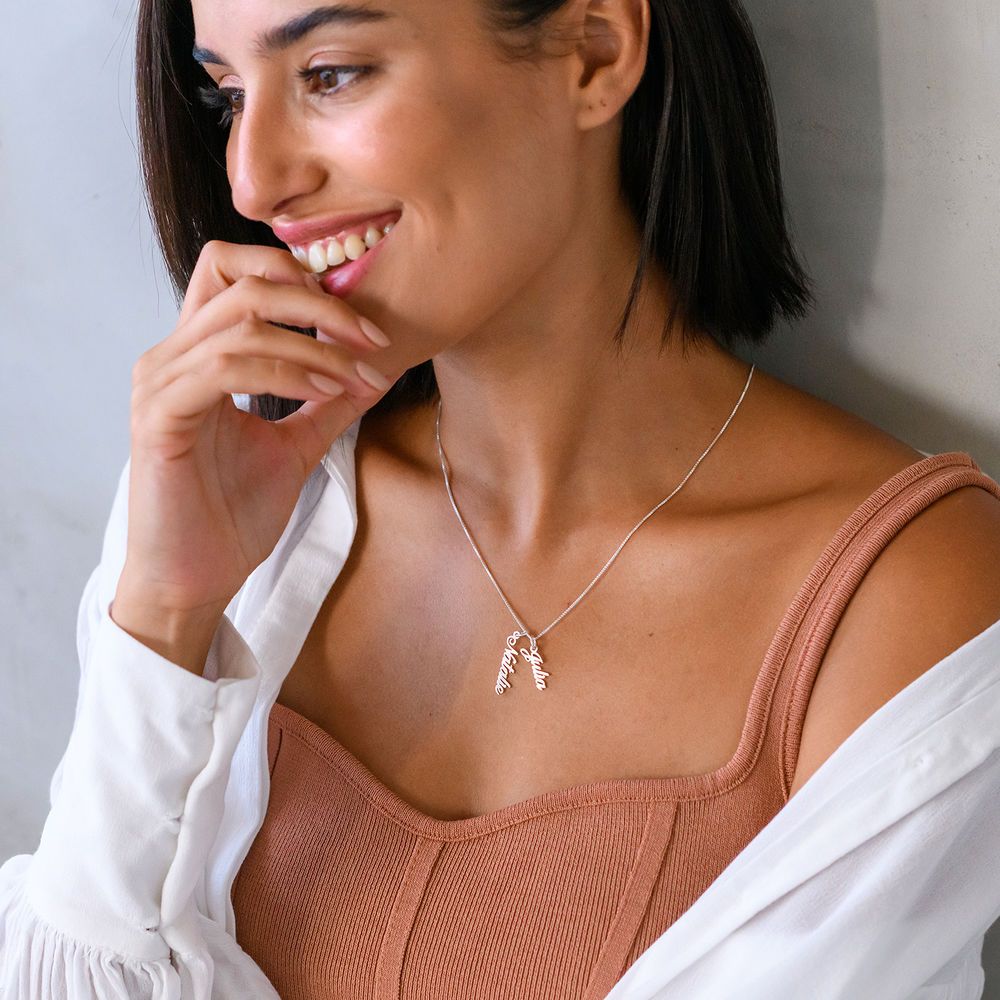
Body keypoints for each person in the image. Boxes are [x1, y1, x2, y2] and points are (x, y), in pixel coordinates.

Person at [2, 0, 999, 996]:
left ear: (593, 51)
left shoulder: (903, 599)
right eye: (226, 97)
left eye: (330, 74)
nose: (252, 182)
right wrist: (163, 615)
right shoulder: (230, 519)